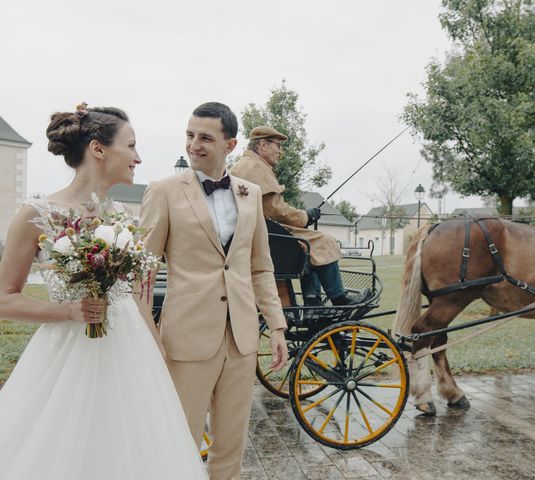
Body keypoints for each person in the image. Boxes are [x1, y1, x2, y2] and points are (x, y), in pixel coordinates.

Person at [0, 105, 208, 479]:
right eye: (130, 146)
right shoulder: (36, 214)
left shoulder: (124, 219)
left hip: (132, 354)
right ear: (98, 149)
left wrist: (156, 345)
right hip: (67, 356)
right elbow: (4, 298)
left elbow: (132, 294)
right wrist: (67, 311)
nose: (138, 157)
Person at [138, 102, 288, 480]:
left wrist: (278, 326)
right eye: (190, 135)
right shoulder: (164, 191)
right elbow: (142, 270)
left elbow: (260, 266)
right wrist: (148, 333)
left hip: (241, 338)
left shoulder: (250, 192)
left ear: (231, 144)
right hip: (186, 337)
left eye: (205, 137)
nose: (194, 145)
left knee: (231, 444)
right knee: (180, 439)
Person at [230, 125, 370, 306]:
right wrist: (306, 216)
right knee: (323, 240)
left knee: (307, 246)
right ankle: (339, 297)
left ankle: (312, 300)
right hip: (264, 238)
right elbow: (276, 210)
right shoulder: (254, 168)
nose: (280, 152)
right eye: (277, 146)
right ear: (263, 145)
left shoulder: (244, 166)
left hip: (257, 234)